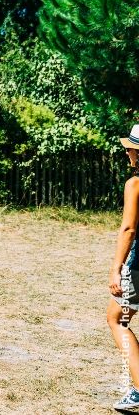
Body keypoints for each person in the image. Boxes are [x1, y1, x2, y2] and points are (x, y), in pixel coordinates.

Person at [109, 124, 139, 410]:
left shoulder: (136, 184)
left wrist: (116, 268)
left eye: (131, 147)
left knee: (117, 318)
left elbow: (129, 229)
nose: (127, 151)